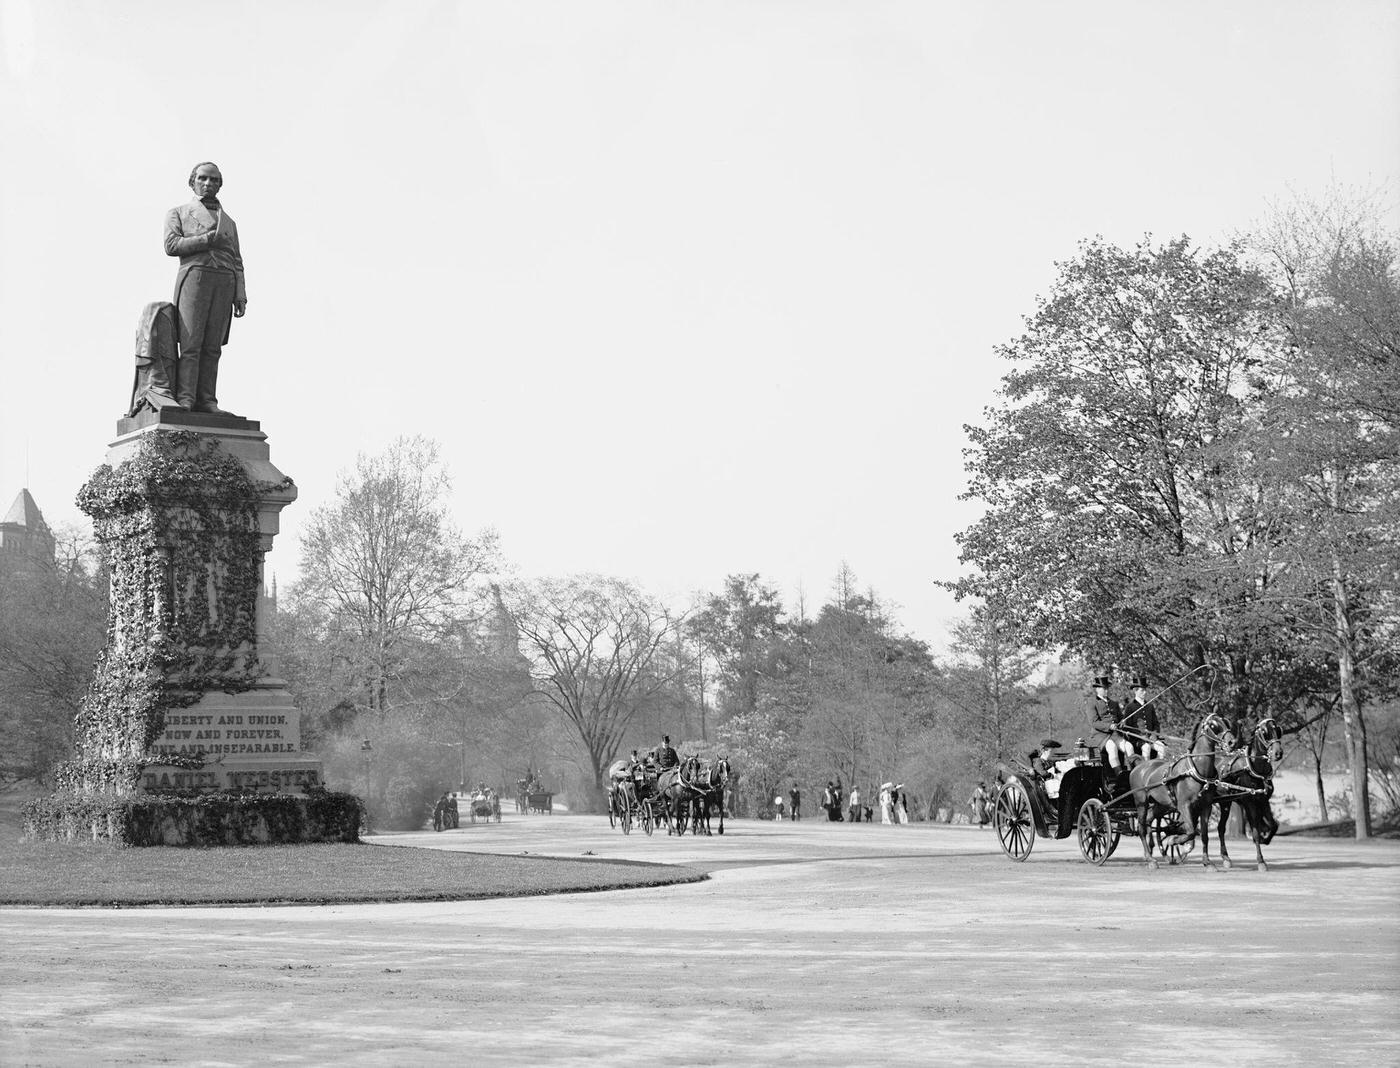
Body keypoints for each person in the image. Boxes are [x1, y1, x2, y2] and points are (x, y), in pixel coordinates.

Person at [164, 162, 247, 415]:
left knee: (213, 345)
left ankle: (208, 400)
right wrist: (207, 240)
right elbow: (171, 244)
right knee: (191, 342)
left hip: (224, 281)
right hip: (195, 276)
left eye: (214, 180)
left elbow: (237, 259)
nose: (208, 183)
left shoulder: (229, 222)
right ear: (193, 182)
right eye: (203, 178)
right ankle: (186, 397)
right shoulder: (178, 212)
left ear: (220, 185)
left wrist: (240, 293)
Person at [1086, 673, 1132, 793]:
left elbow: (1120, 718)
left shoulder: (1114, 703)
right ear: (1097, 689)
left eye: (1107, 688)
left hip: (1116, 734)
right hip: (1101, 736)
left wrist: (1122, 722)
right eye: (1103, 688)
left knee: (1129, 746)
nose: (1105, 690)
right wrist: (1109, 726)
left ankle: (1134, 773)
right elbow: (1094, 723)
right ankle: (1119, 774)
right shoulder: (1092, 703)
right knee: (1111, 747)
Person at [1121, 676, 1165, 761]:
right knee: (1146, 747)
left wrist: (1154, 734)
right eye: (1142, 690)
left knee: (1162, 747)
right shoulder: (1130, 707)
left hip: (1151, 738)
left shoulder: (1150, 706)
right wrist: (1141, 736)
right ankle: (1145, 770)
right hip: (1137, 740)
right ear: (1135, 691)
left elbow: (1156, 723)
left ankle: (1158, 768)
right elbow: (1127, 727)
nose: (1144, 693)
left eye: (1145, 690)